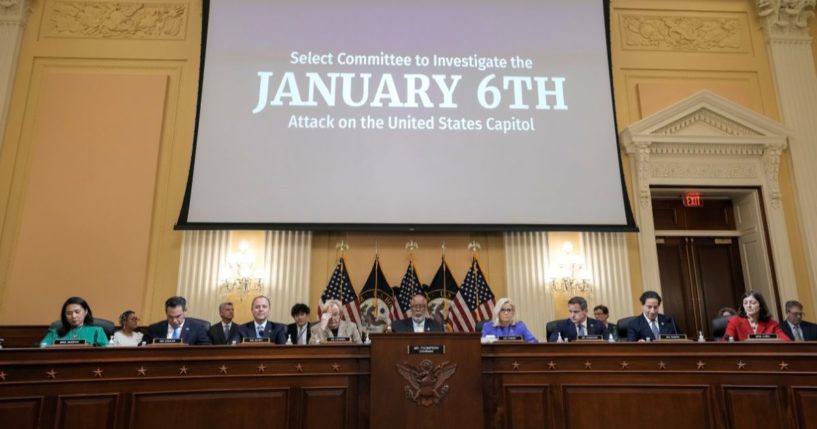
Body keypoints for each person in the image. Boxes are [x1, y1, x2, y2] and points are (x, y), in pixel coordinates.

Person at [40, 297, 108, 347]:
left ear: (86, 312)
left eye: (77, 312)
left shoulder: (97, 331)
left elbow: (104, 353)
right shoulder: (55, 333)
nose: (73, 316)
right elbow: (42, 348)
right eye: (69, 313)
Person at [723, 290, 790, 341]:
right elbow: (727, 341)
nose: (748, 306)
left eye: (753, 303)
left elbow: (786, 341)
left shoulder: (772, 324)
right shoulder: (734, 322)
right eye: (745, 303)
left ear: (760, 305)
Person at [147, 296, 211, 345]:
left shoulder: (197, 328)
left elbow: (205, 351)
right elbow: (142, 349)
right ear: (166, 313)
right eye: (170, 317)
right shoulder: (154, 329)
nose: (174, 321)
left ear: (185, 311)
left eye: (178, 316)